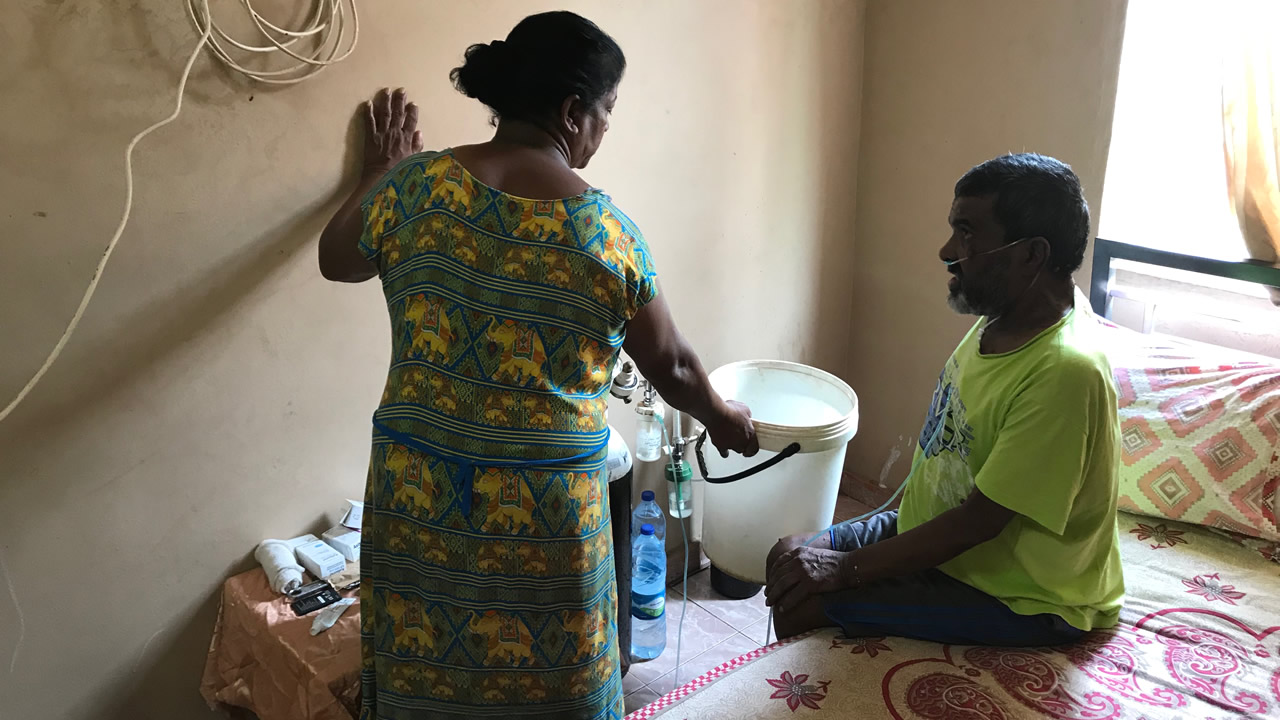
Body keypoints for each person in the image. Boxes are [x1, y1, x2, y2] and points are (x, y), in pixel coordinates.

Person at [317, 12, 758, 720]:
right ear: (571, 111)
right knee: (556, 677)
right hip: (545, 512)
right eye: (608, 109)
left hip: (420, 491)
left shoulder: (416, 188)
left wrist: (380, 172)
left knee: (426, 664)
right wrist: (726, 418)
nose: (606, 128)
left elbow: (335, 260)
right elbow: (671, 365)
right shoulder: (605, 233)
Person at [765, 153, 1124, 647]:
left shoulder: (1064, 372)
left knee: (803, 600)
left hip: (1020, 592)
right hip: (950, 541)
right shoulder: (1006, 316)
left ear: (1031, 255)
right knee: (788, 559)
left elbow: (980, 521)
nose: (946, 250)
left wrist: (845, 569)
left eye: (968, 233)